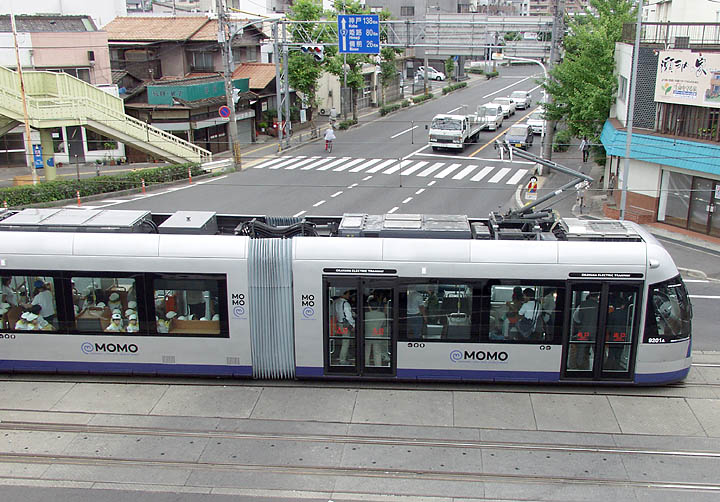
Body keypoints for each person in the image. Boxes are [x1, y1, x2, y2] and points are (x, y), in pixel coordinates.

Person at [334, 290, 355, 364]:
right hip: (346, 325)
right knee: (345, 342)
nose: (349, 296)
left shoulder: (337, 302)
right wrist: (353, 325)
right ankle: (342, 360)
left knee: (345, 341)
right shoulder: (346, 303)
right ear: (344, 294)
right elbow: (348, 316)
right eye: (348, 294)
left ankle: (346, 355)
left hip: (340, 323)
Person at [364, 299, 387, 367]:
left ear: (369, 307)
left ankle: (366, 365)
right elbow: (384, 324)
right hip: (377, 335)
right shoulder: (382, 314)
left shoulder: (365, 315)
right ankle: (378, 366)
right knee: (377, 352)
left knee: (366, 351)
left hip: (367, 335)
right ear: (378, 307)